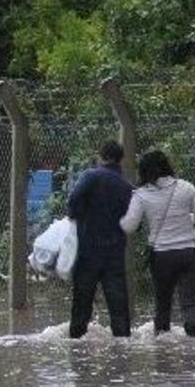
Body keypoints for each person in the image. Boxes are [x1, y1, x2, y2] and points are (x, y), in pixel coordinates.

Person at [120, 150, 195, 337]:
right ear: (167, 166)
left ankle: (163, 355)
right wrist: (189, 218)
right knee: (189, 303)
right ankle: (194, 349)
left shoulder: (141, 195)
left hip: (162, 257)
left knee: (162, 305)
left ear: (144, 170)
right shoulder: (186, 187)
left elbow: (129, 226)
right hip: (190, 253)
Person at [66, 140, 134, 338]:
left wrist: (79, 216)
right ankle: (122, 354)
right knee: (118, 307)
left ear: (101, 156)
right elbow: (134, 222)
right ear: (121, 159)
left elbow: (72, 204)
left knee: (81, 304)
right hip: (114, 253)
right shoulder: (127, 187)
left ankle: (76, 351)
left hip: (87, 251)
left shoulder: (89, 177)